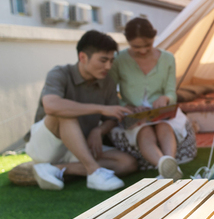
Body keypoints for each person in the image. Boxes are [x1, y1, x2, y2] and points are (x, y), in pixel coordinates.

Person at [26, 30, 138, 191]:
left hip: (79, 145)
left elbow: (112, 117)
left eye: (111, 61)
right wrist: (101, 108)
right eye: (103, 60)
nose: (108, 66)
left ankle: (55, 169)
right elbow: (51, 106)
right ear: (83, 57)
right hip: (47, 146)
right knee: (65, 113)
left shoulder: (108, 82)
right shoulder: (59, 73)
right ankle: (93, 171)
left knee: (128, 163)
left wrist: (98, 131)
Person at [108, 17, 195, 178]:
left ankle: (169, 167)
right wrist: (129, 107)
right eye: (136, 47)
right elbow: (111, 94)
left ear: (154, 38)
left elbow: (171, 92)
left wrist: (165, 99)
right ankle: (166, 168)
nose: (142, 51)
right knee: (144, 130)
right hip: (134, 114)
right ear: (127, 41)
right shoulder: (118, 60)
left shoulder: (167, 58)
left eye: (147, 45)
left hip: (162, 112)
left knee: (163, 126)